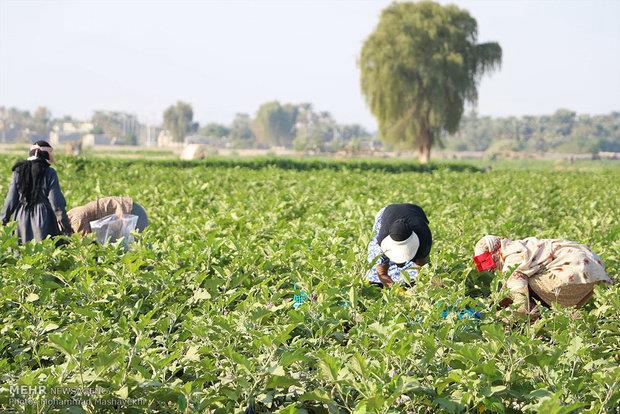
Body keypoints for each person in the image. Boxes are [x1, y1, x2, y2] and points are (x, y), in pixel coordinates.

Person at [474, 235, 613, 318]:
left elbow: (521, 305)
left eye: (490, 263)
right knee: (519, 289)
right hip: (592, 272)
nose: (492, 269)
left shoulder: (512, 259)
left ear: (495, 253)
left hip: (570, 272)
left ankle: (540, 319)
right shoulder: (521, 246)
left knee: (521, 293)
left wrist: (498, 318)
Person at [1, 141, 72, 243]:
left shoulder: (18, 171)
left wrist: (3, 221)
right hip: (44, 218)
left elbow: (10, 200)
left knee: (22, 253)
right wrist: (66, 227)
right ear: (46, 154)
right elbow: (56, 203)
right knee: (45, 252)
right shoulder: (49, 172)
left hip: (21, 218)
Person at [366, 203, 432, 287]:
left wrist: (423, 285)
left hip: (414, 212)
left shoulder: (424, 237)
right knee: (374, 273)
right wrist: (395, 289)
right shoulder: (382, 239)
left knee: (417, 273)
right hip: (387, 214)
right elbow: (381, 273)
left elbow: (422, 269)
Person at [67, 196, 148, 235]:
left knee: (130, 249)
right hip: (133, 210)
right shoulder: (71, 214)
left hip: (132, 214)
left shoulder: (76, 221)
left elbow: (86, 244)